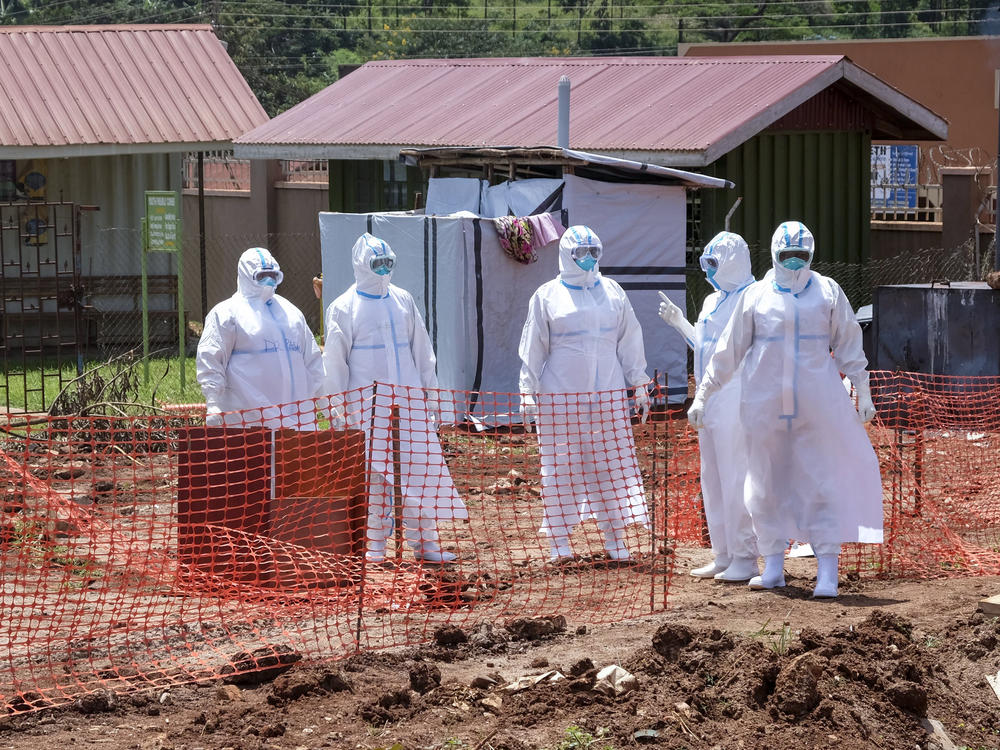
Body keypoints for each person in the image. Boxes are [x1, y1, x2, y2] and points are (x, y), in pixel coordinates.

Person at [687, 221, 882, 598]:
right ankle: (772, 563)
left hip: (818, 407)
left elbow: (849, 345)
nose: (794, 264)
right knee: (764, 482)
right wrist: (704, 394)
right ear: (774, 255)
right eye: (786, 256)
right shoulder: (757, 296)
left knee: (821, 481)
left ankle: (828, 569)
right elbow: (728, 351)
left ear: (811, 254)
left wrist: (863, 391)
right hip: (764, 408)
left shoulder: (827, 292)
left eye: (801, 256)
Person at [322, 233, 467, 564]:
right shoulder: (344, 308)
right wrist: (338, 408)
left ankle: (426, 544)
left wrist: (432, 399)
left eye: (389, 262)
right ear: (362, 264)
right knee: (374, 475)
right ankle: (374, 546)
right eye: (378, 263)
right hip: (367, 407)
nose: (384, 269)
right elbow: (334, 363)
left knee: (421, 470)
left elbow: (423, 353)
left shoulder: (403, 300)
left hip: (410, 404)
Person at [518, 225, 651, 562]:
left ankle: (615, 538)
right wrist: (527, 390)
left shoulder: (613, 292)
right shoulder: (547, 295)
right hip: (561, 394)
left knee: (611, 463)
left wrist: (639, 383)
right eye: (581, 253)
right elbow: (533, 346)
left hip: (607, 393)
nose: (589, 259)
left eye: (594, 252)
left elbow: (630, 339)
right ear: (566, 255)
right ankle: (559, 542)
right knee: (562, 466)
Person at [658, 231, 759, 582]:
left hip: (737, 396)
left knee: (736, 476)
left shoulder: (753, 297)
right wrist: (680, 324)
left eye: (715, 263)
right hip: (708, 398)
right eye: (706, 263)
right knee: (712, 477)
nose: (709, 270)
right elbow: (705, 345)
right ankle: (723, 554)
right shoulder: (712, 301)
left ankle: (746, 556)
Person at [197, 247, 324, 429]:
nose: (268, 282)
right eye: (261, 276)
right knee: (254, 458)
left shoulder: (291, 313)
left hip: (297, 422)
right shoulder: (227, 313)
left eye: (273, 275)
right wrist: (213, 403)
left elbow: (313, 363)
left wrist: (329, 406)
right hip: (249, 422)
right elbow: (211, 359)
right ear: (247, 275)